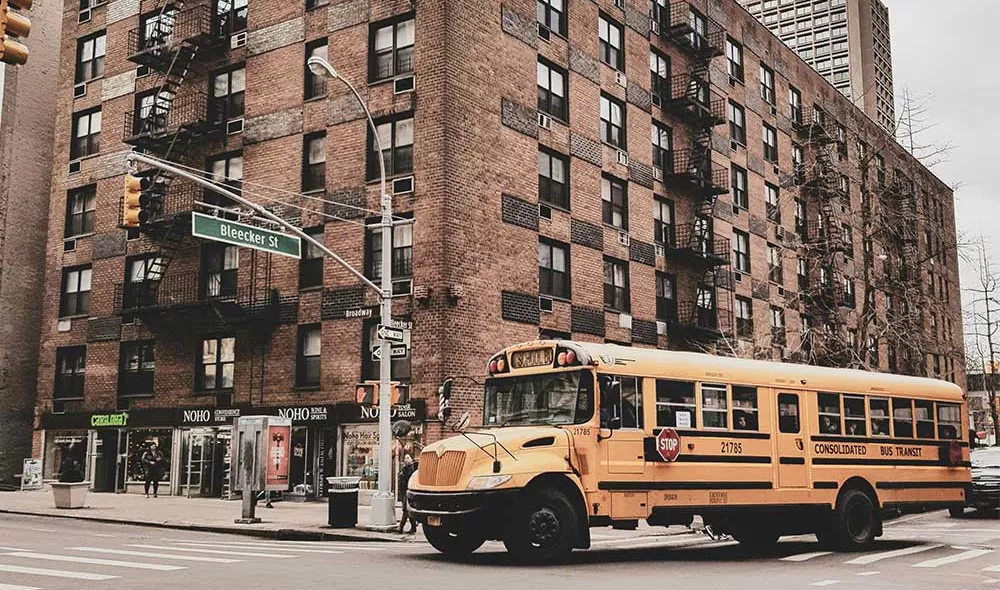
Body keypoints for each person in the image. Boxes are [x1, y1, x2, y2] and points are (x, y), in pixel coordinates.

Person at [397, 455, 418, 533]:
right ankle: (413, 527)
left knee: (405, 510)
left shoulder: (410, 469)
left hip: (408, 490)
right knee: (407, 510)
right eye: (405, 458)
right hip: (404, 491)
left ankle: (401, 527)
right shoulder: (404, 468)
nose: (406, 459)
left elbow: (407, 478)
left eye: (408, 458)